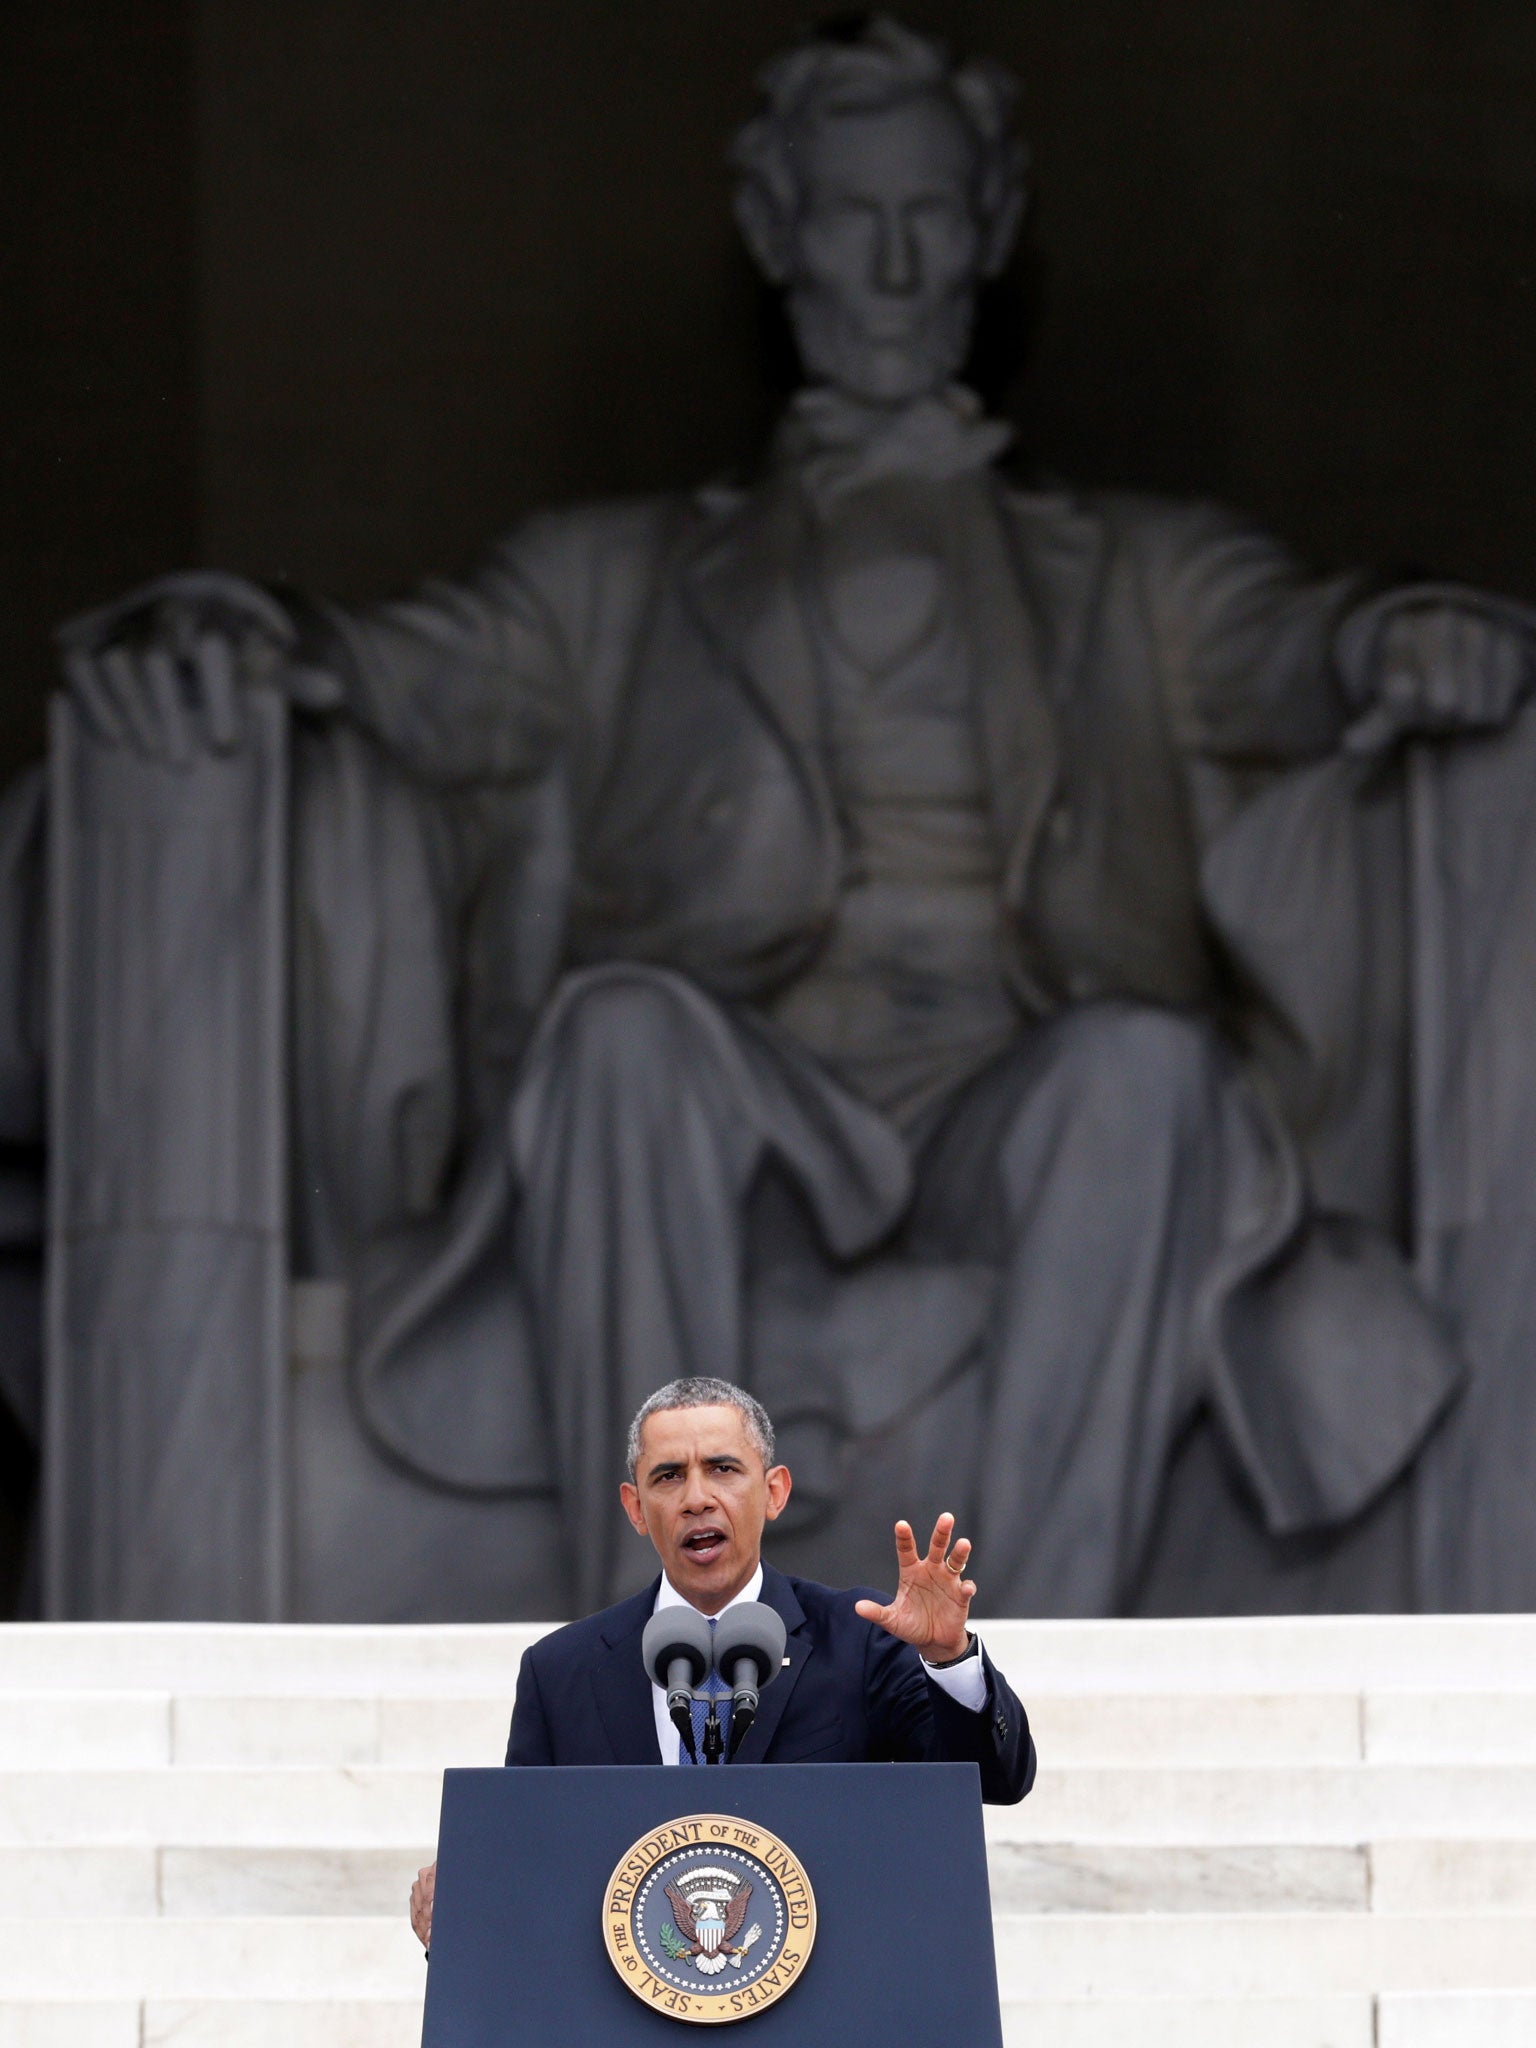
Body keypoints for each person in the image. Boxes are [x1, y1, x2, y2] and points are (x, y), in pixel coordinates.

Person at [39, 17, 1533, 1621]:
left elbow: (1306, 647)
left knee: (1149, 1065)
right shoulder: (605, 579)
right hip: (736, 1104)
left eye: (934, 215)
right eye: (848, 215)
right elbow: (406, 672)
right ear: (775, 233)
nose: (893, 265)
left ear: (993, 228)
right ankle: (668, 1648)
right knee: (616, 1032)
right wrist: (245, 630)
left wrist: (1405, 635)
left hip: (1010, 1095)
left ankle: (997, 1662)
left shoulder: (1143, 575)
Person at [407, 1375, 1034, 1948]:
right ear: (634, 1508)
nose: (697, 1498)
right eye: (669, 1476)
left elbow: (995, 1782)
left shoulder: (864, 1638)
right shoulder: (561, 1670)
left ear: (774, 1491)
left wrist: (948, 1657)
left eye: (723, 1468)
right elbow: (529, 1857)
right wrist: (468, 1903)